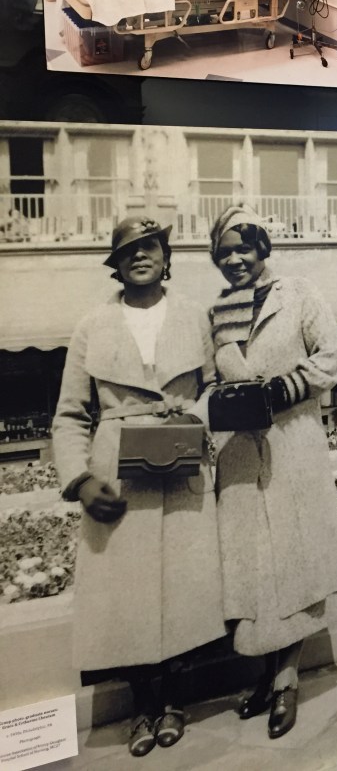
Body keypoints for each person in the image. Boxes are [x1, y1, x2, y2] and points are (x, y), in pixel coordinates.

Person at [52, 217, 225, 757]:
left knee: (183, 586)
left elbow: (217, 386)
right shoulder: (92, 325)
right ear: (116, 263)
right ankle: (141, 705)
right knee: (124, 597)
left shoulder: (195, 317)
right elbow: (70, 415)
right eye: (128, 251)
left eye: (149, 247)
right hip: (117, 472)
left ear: (165, 255)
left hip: (181, 464)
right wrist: (80, 479)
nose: (140, 257)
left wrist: (194, 413)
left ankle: (174, 699)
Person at [207, 205, 337, 739]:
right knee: (257, 570)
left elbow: (332, 358)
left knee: (295, 562)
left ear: (263, 248)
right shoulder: (218, 313)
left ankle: (287, 680)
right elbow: (208, 382)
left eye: (244, 248)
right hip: (241, 456)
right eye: (224, 252)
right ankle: (266, 678)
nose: (235, 259)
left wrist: (279, 389)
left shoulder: (299, 294)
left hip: (293, 447)